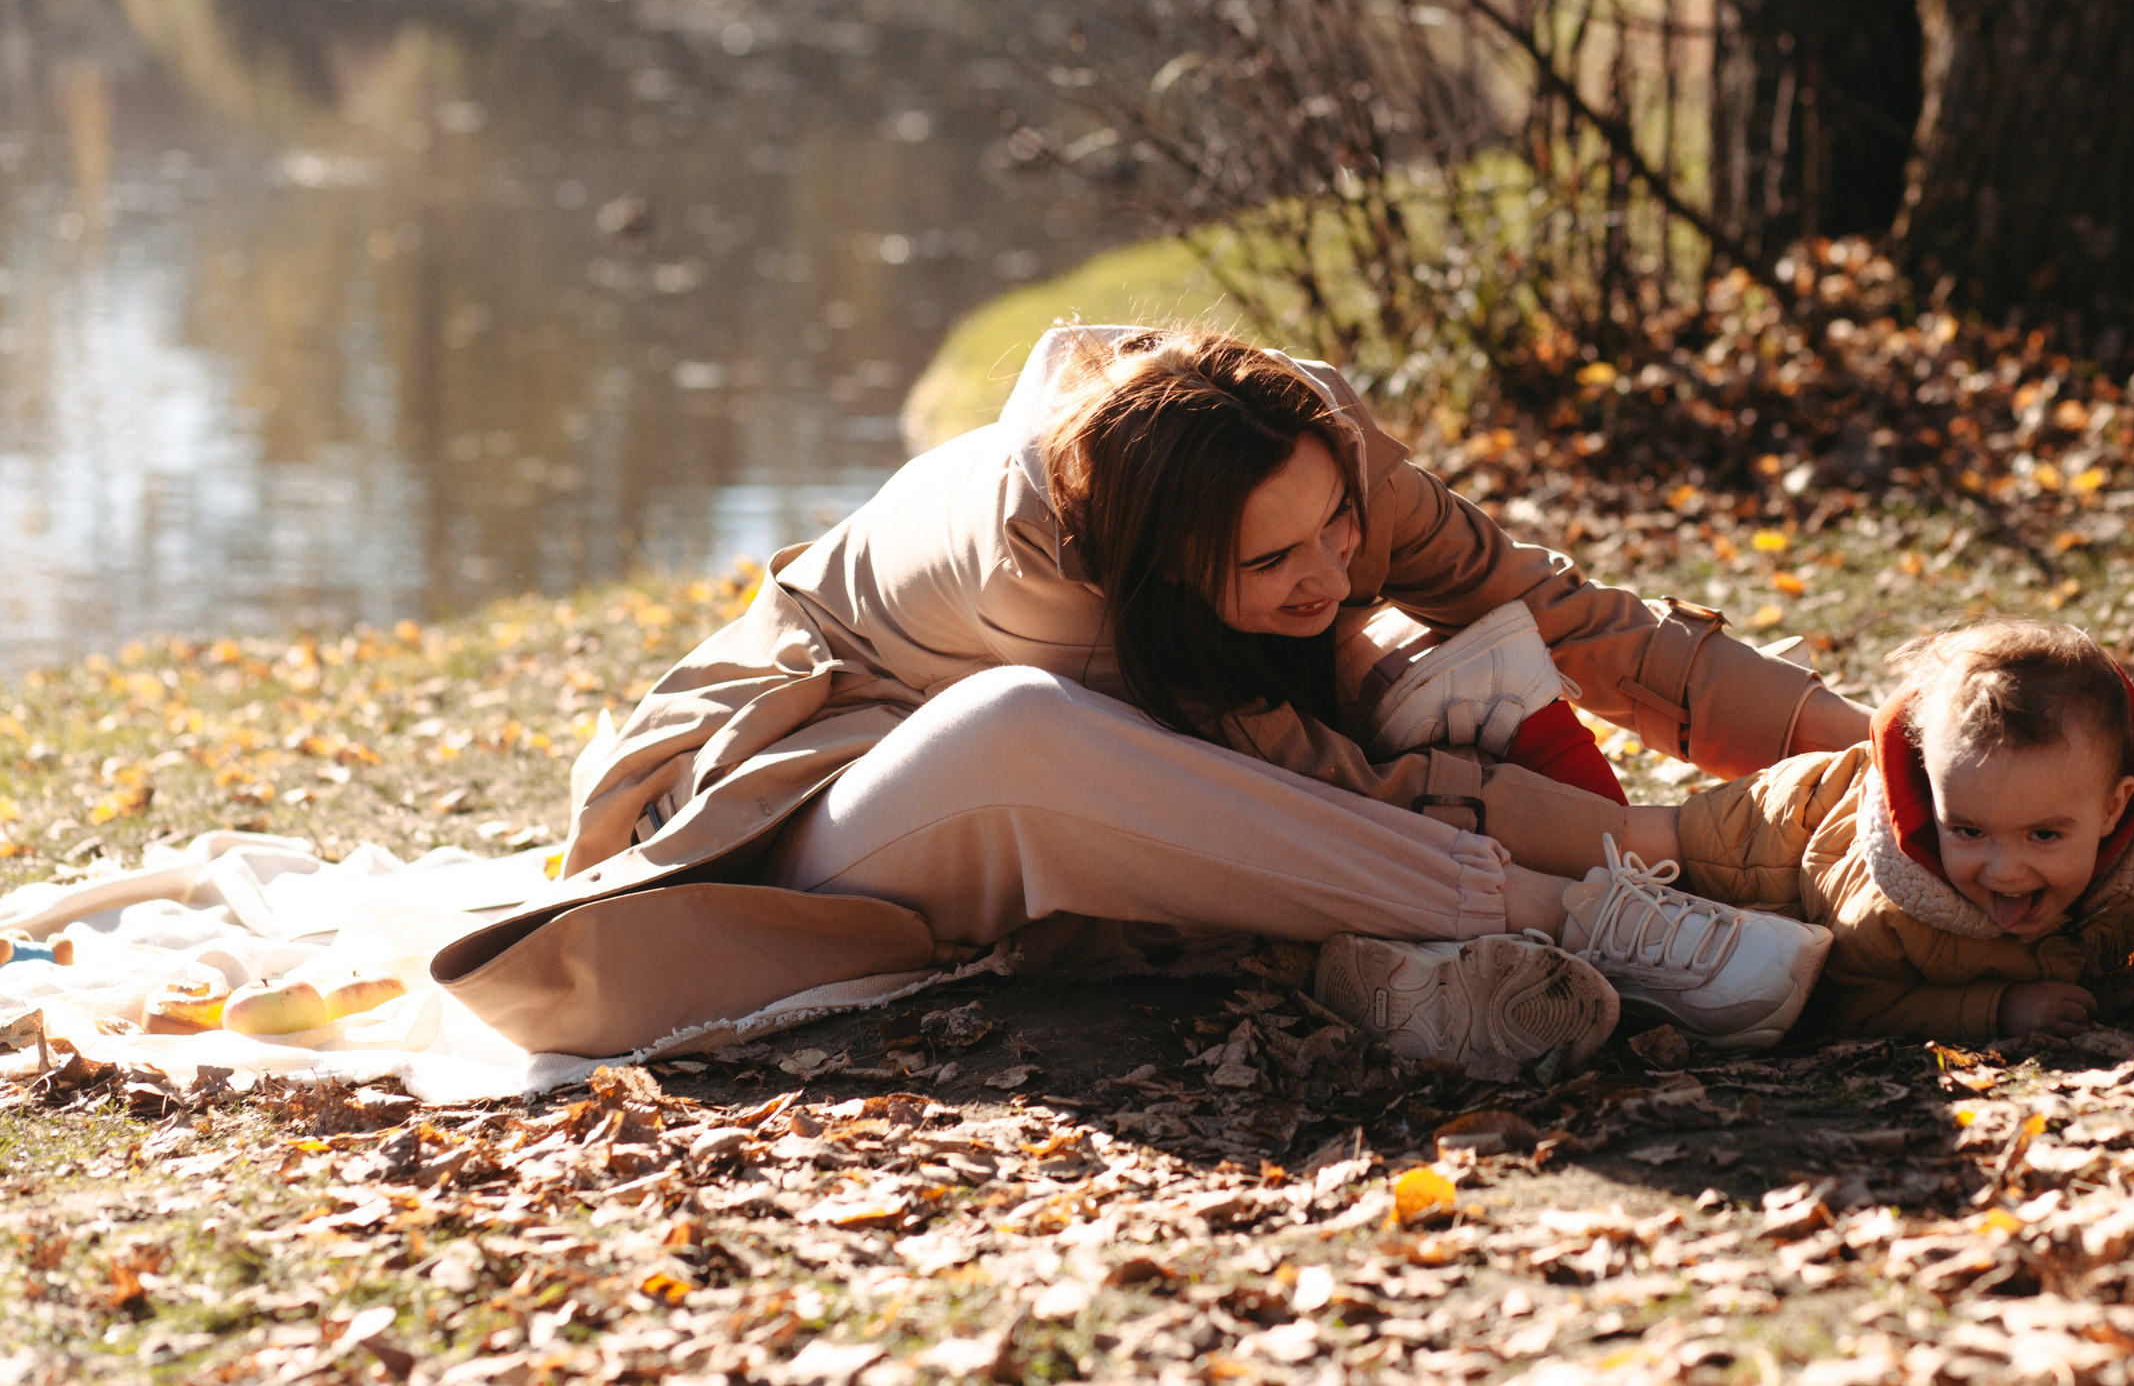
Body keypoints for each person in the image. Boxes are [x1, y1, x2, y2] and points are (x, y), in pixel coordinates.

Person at [430, 325, 1868, 1064]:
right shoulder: (1045, 573)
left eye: (1337, 529)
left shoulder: (1294, 435)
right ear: (1171, 563)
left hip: (1146, 763)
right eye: (1274, 560)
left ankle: (1457, 955)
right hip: (819, 788)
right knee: (1030, 737)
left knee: (1454, 662)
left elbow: (1574, 619)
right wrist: (1673, 843)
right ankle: (1596, 919)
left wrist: (1861, 747)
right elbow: (1314, 783)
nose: (1330, 565)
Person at [1671, 619, 2134, 1042]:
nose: (2004, 871)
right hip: (1774, 833)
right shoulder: (1888, 913)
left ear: (2113, 808)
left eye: (2045, 836)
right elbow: (1846, 996)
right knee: (1640, 844)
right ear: (1932, 800)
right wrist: (1999, 1009)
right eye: (1970, 832)